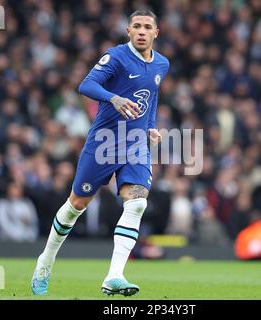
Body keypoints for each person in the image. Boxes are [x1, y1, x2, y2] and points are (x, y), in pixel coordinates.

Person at [31, 9, 169, 296]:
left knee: (137, 203)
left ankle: (114, 276)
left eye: (147, 27)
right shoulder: (117, 56)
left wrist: (151, 127)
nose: (142, 31)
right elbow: (86, 85)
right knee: (76, 206)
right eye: (136, 26)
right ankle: (45, 261)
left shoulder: (161, 65)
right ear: (128, 31)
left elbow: (151, 98)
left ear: (157, 32)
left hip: (135, 145)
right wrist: (113, 97)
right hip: (104, 143)